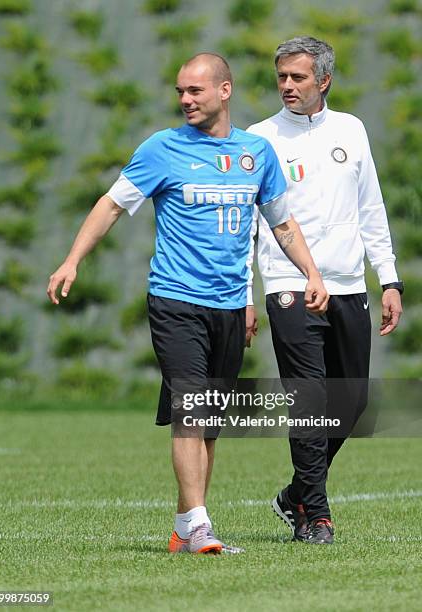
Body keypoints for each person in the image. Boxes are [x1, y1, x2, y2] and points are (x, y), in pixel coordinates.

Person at [47, 52, 328, 555]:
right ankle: (200, 526)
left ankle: (185, 526)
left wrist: (310, 272)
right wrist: (72, 260)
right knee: (191, 413)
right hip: (176, 299)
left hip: (228, 306)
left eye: (195, 91)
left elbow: (281, 222)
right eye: (180, 91)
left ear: (225, 90)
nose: (185, 100)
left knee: (210, 423)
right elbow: (112, 204)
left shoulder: (256, 154)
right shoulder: (161, 149)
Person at [246, 36, 403, 544]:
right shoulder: (259, 138)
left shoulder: (351, 131)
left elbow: (371, 209)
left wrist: (389, 276)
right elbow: (248, 226)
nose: (287, 86)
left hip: (348, 284)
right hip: (290, 285)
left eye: (298, 77)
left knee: (352, 400)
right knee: (310, 398)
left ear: (324, 80)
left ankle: (295, 493)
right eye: (282, 77)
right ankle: (315, 515)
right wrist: (246, 295)